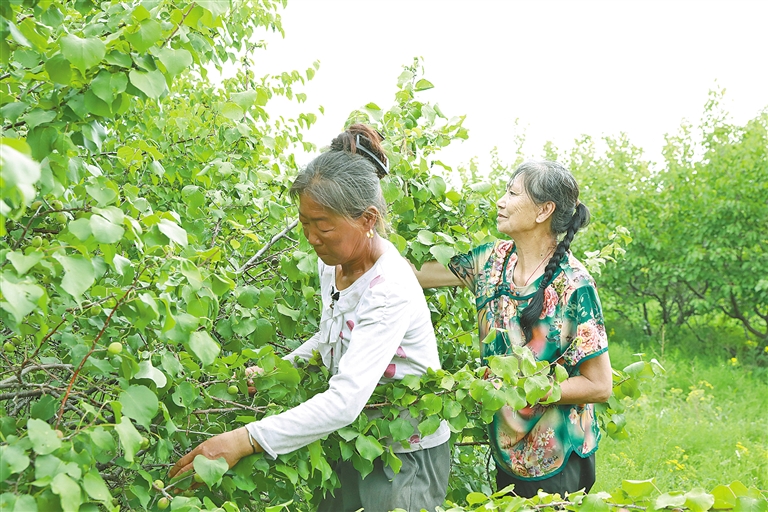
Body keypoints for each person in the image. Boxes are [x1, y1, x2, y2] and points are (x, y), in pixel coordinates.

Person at [170, 124, 451, 512]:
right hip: (352, 439)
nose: (312, 238)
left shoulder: (388, 288)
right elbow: (331, 337)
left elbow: (345, 400)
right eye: (305, 224)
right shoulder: (332, 262)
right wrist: (278, 370)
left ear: (367, 219)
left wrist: (244, 439)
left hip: (406, 455)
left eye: (324, 226)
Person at [412, 161, 612, 497]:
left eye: (513, 193)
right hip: (508, 451)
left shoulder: (573, 285)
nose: (501, 201)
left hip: (557, 455)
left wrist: (522, 389)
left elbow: (599, 385)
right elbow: (415, 274)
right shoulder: (493, 262)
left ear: (544, 210)